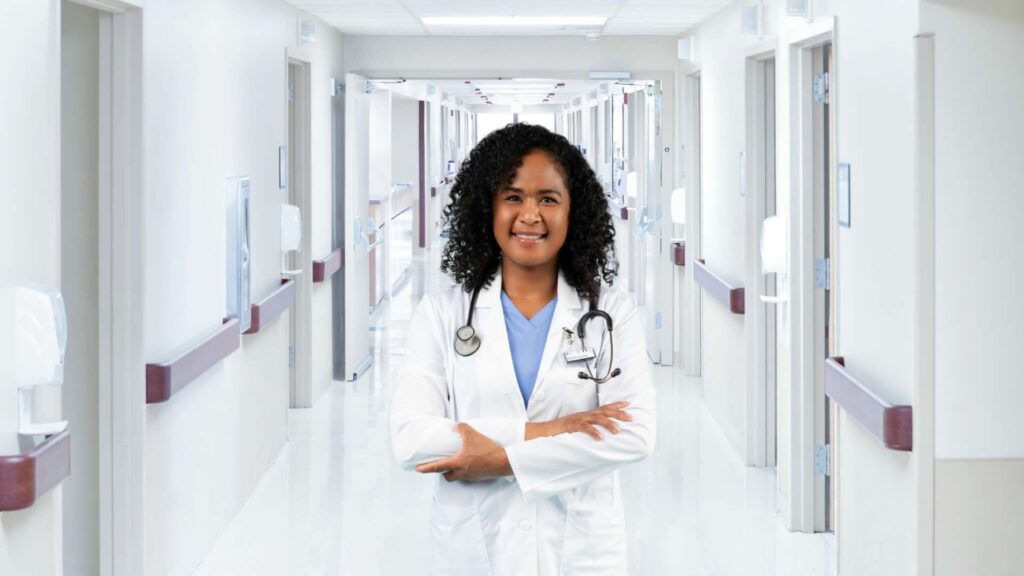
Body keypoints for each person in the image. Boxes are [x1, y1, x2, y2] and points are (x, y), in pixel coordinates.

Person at [389, 123, 656, 575]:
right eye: (513, 197)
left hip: (579, 550)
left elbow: (634, 435)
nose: (530, 214)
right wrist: (553, 430)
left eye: (548, 199)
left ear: (574, 213)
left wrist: (495, 459)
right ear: (487, 209)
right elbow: (411, 440)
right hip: (475, 549)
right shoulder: (440, 315)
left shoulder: (610, 315)